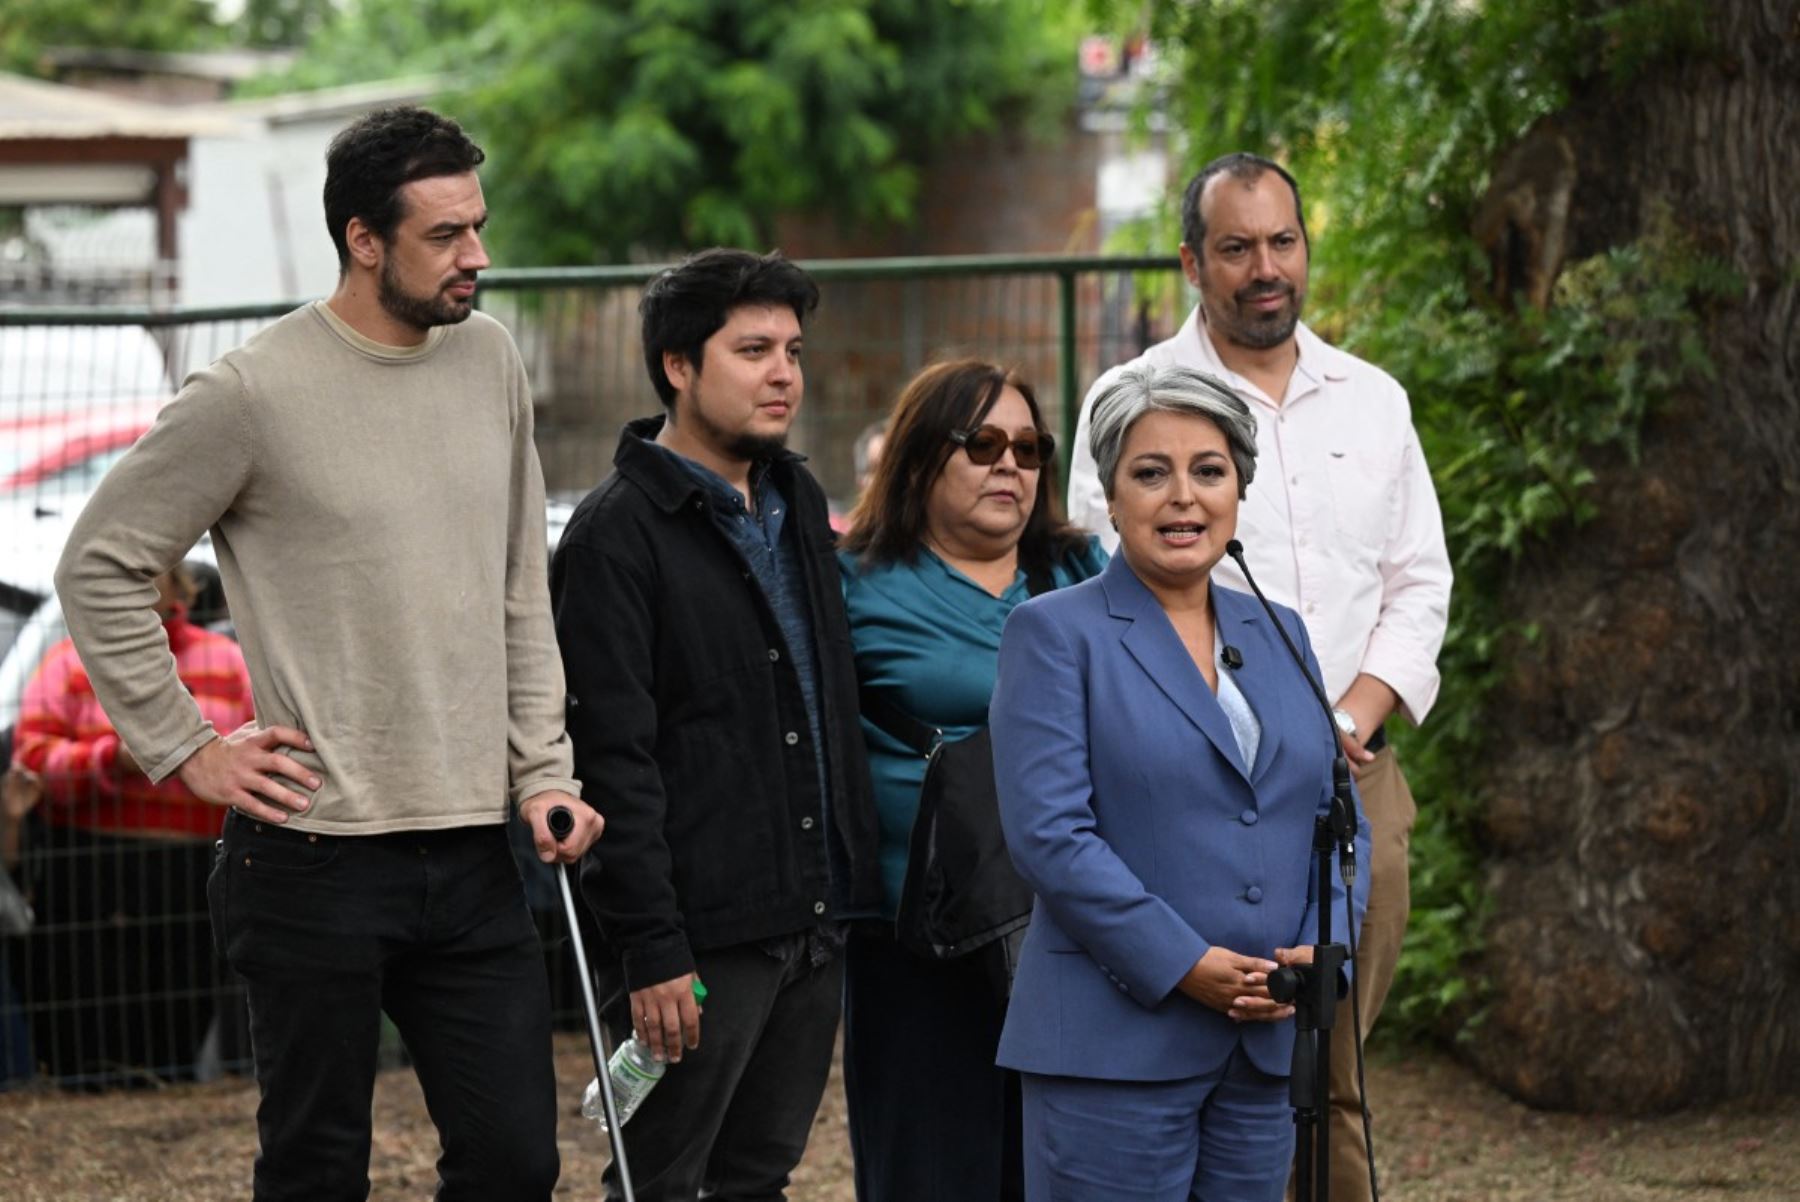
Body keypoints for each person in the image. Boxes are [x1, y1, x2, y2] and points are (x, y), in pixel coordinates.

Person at [52, 106, 601, 1200]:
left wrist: (544, 769)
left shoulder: (488, 358)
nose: (477, 255)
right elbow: (99, 566)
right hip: (311, 855)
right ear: (363, 239)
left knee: (515, 1162)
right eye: (444, 234)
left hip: (473, 847)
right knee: (316, 1171)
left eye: (478, 225)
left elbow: (516, 589)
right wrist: (188, 749)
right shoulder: (250, 391)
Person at [1066, 153, 1452, 1202]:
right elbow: (1108, 586)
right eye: (1236, 247)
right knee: (1213, 1058)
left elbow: (1419, 580)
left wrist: (1346, 718)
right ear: (1193, 261)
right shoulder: (1136, 398)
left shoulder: (1373, 402)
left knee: (1332, 1065)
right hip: (1186, 788)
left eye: (1283, 241)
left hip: (1353, 779)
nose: (1265, 267)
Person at [551, 247, 881, 1202]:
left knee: (760, 1178)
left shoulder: (796, 497)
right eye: (752, 350)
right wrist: (652, 949)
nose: (784, 374)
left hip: (815, 915)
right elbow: (612, 760)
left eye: (793, 350)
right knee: (660, 1182)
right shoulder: (614, 535)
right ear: (678, 366)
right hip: (702, 941)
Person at [992, 363, 1367, 1201]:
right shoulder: (1053, 633)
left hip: (1265, 1047)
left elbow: (1340, 821)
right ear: (1111, 495)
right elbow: (1051, 837)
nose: (1183, 498)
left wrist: (1324, 951)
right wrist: (1183, 962)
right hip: (1112, 1047)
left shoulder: (1281, 631)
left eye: (1209, 471)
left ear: (1239, 489)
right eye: (1151, 473)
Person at [837, 359, 1105, 1202]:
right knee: (930, 1172)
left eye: (1029, 448)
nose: (1010, 466)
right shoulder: (853, 581)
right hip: (919, 938)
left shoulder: (1081, 569)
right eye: (983, 444)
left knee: (1057, 1170)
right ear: (920, 458)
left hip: (1069, 933)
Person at [11, 565, 251, 1084]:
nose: (139, 584)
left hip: (197, 868)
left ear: (181, 586)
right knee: (92, 1027)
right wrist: (110, 760)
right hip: (93, 868)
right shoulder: (69, 662)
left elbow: (258, 752)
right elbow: (32, 765)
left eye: (153, 572)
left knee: (178, 1019)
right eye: (128, 574)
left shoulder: (227, 661)